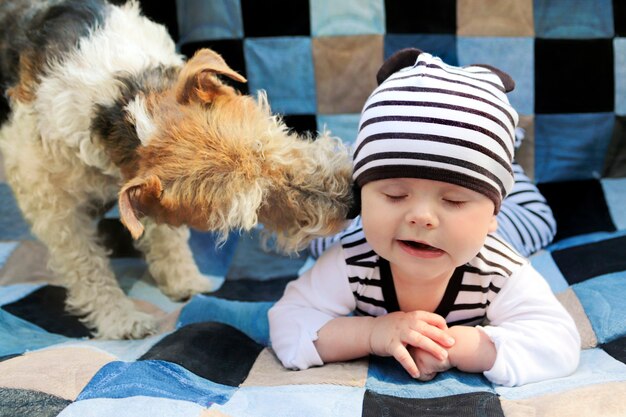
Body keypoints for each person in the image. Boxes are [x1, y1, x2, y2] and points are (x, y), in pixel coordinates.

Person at [268, 48, 580, 387]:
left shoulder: (498, 270)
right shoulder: (353, 259)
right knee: (328, 231)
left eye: (454, 199)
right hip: (373, 229)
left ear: (492, 214)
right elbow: (287, 324)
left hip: (494, 233)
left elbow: (558, 343)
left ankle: (508, 163)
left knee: (538, 220)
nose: (421, 216)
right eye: (395, 194)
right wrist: (372, 333)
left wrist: (459, 347)